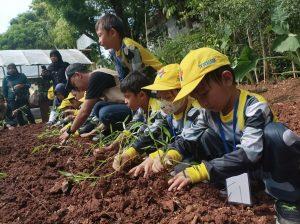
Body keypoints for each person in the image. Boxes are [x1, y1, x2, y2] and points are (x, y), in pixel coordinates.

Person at [146, 48, 300, 223]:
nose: (202, 102)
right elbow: (187, 139)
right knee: (203, 140)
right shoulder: (208, 112)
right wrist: (169, 154)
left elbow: (250, 153)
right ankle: (236, 185)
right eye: (196, 97)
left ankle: (288, 197)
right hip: (239, 168)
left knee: (276, 135)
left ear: (227, 78)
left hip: (265, 165)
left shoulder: (254, 106)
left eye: (203, 93)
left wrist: (204, 169)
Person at [113, 64, 200, 172]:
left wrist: (156, 156)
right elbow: (154, 130)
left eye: (168, 97)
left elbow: (186, 141)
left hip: (196, 155)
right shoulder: (168, 112)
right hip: (177, 150)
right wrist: (131, 152)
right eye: (159, 98)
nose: (163, 103)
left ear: (183, 92)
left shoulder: (195, 111)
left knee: (177, 170)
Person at [59, 63, 131, 144]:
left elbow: (85, 112)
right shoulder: (95, 79)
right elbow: (91, 116)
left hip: (134, 109)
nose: (77, 89)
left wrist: (70, 131)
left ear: (78, 75)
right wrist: (90, 132)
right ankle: (109, 133)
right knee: (98, 107)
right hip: (125, 107)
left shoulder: (95, 77)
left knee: (105, 112)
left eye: (74, 85)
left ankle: (123, 132)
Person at [95, 13, 163, 81]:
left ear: (112, 33)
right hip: (144, 77)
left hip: (159, 74)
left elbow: (137, 74)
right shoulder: (114, 53)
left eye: (100, 35)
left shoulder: (129, 46)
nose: (99, 41)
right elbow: (122, 76)